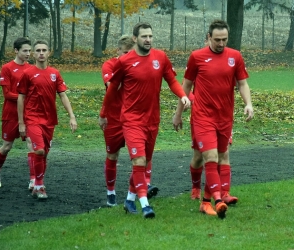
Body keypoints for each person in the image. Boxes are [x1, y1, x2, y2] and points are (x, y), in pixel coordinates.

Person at [98, 22, 190, 218]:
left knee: (145, 161)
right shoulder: (125, 61)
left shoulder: (160, 57)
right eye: (144, 36)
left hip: (152, 119)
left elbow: (171, 80)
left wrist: (182, 95)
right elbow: (112, 90)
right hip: (131, 120)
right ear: (135, 39)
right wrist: (103, 114)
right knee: (138, 160)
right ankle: (145, 204)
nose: (148, 40)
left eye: (150, 36)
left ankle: (129, 199)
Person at [173, 19, 254, 219]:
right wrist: (178, 113)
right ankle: (213, 200)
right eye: (217, 39)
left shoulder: (235, 56)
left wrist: (248, 104)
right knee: (208, 157)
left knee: (221, 156)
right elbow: (186, 87)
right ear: (208, 37)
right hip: (202, 116)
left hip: (224, 117)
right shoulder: (197, 57)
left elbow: (242, 84)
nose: (221, 44)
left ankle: (218, 196)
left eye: (224, 39)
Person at [101, 35, 158, 207]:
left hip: (135, 118)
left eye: (130, 52)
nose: (127, 56)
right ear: (118, 51)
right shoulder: (110, 65)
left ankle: (143, 186)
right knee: (112, 154)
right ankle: (111, 192)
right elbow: (113, 86)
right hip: (114, 118)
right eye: (124, 52)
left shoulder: (139, 63)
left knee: (142, 156)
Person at [17, 40, 77, 200]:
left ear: (48, 52)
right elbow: (21, 98)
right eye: (38, 50)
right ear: (34, 54)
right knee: (39, 150)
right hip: (32, 118)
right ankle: (38, 185)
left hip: (50, 120)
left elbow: (63, 95)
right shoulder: (28, 74)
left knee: (44, 155)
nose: (41, 53)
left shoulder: (54, 73)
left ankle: (38, 182)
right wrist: (21, 122)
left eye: (44, 50)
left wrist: (72, 116)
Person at [0, 37, 35, 189]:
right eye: (25, 51)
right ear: (16, 51)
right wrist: (25, 97)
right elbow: (8, 95)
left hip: (28, 114)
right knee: (7, 146)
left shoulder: (31, 68)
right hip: (10, 113)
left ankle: (33, 180)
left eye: (30, 51)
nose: (28, 53)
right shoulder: (7, 68)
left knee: (32, 143)